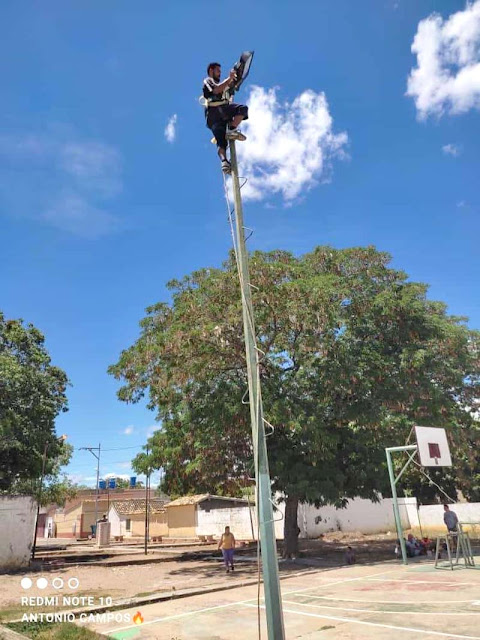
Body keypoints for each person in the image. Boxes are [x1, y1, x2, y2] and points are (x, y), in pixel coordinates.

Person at [203, 62, 249, 174]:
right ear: (211, 70)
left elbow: (228, 89)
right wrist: (229, 79)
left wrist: (234, 80)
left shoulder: (224, 86)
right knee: (242, 109)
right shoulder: (208, 81)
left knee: (221, 141)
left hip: (217, 119)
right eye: (218, 71)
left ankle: (224, 163)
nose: (219, 73)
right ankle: (232, 129)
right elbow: (216, 90)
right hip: (215, 111)